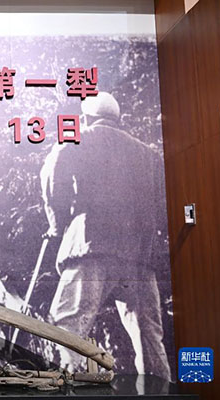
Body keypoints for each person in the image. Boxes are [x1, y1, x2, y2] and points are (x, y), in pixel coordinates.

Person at [40, 92, 171, 379]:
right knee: (149, 337)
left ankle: (62, 388)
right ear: (117, 118)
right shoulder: (149, 155)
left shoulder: (77, 139)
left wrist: (57, 224)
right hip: (140, 257)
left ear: (86, 117)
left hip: (91, 246)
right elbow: (164, 204)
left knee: (68, 327)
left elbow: (52, 178)